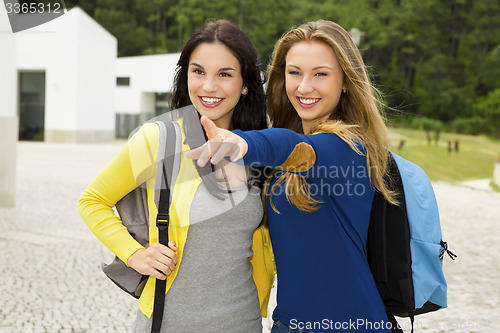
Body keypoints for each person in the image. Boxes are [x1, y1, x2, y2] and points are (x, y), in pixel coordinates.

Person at [187, 20, 396, 332]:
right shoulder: (294, 148)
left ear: (346, 81)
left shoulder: (347, 147)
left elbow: (295, 148)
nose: (303, 86)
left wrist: (244, 143)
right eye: (294, 72)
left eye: (320, 74)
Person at [78, 19, 275, 332]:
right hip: (168, 321)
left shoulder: (258, 149)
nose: (208, 86)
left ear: (246, 83)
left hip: (243, 322)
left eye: (224, 74)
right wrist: (135, 255)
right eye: (198, 72)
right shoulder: (159, 139)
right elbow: (92, 200)